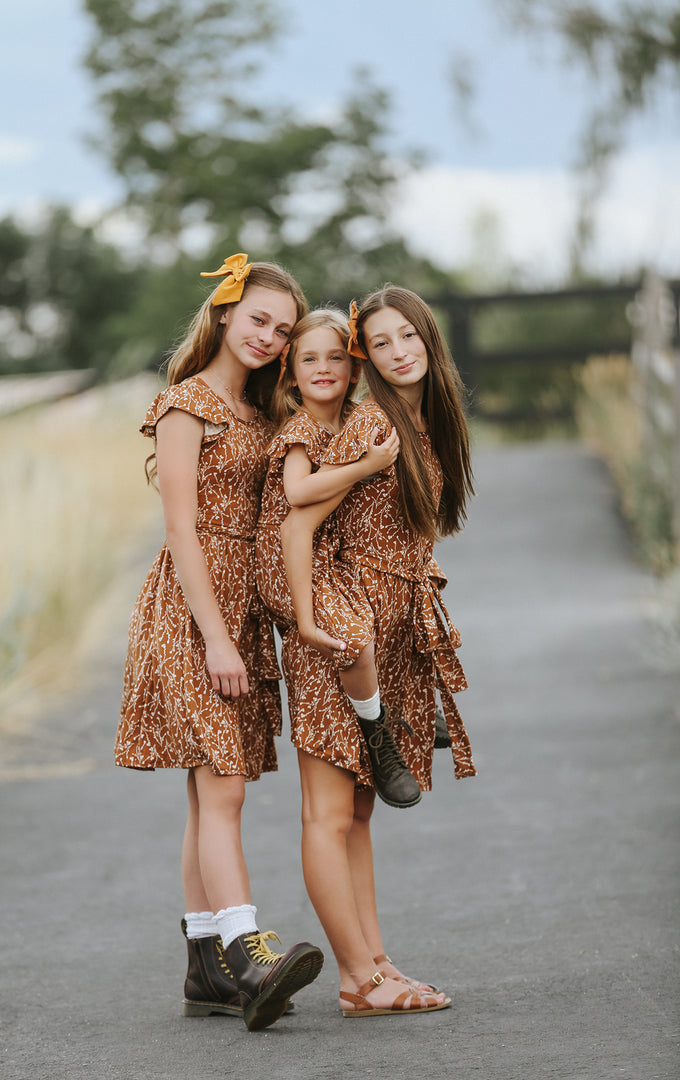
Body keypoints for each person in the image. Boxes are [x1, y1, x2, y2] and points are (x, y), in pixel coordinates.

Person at [114, 254, 324, 1033]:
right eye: (259, 319)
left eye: (283, 328)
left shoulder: (265, 413)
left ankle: (204, 964)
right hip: (189, 609)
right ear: (226, 313)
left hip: (241, 614)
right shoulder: (185, 405)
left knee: (209, 791)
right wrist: (216, 639)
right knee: (226, 784)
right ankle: (248, 949)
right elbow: (180, 529)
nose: (269, 337)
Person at [279, 286, 477, 1017]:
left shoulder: (421, 429)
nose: (398, 353)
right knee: (329, 814)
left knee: (359, 814)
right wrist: (305, 622)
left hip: (390, 633)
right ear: (368, 353)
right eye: (383, 342)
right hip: (336, 629)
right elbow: (298, 525)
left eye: (409, 339)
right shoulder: (368, 429)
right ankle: (358, 979)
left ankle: (374, 967)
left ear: (429, 341)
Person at [256, 308, 419, 808]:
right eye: (309, 358)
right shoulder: (298, 429)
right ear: (290, 370)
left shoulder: (354, 421)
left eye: (335, 357)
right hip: (288, 564)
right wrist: (366, 465)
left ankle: (406, 699)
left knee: (396, 603)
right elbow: (300, 493)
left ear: (355, 368)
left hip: (331, 559)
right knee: (351, 636)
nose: (323, 367)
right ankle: (378, 731)